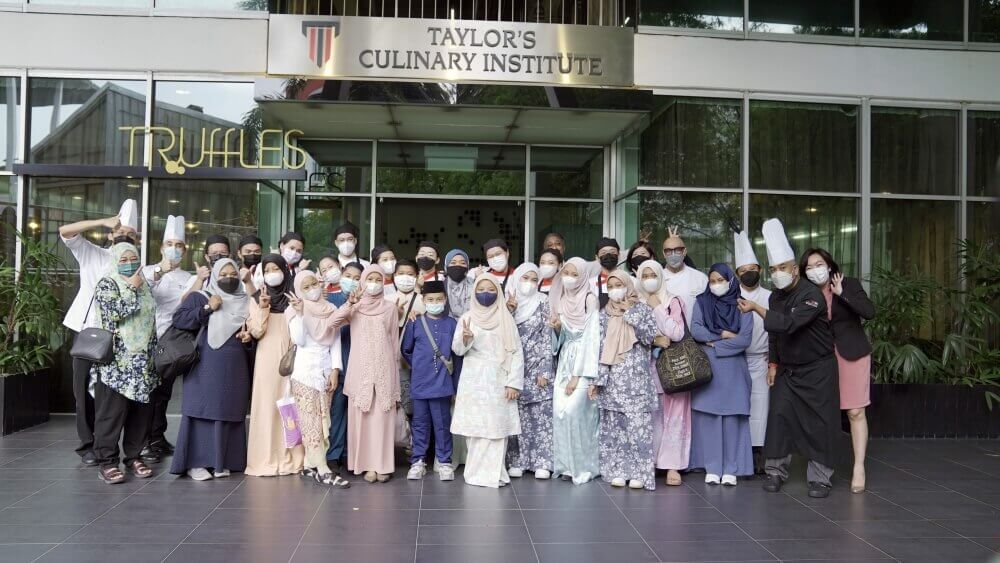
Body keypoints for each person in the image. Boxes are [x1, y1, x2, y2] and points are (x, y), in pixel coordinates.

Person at [738, 219, 840, 499]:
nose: (777, 273)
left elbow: (789, 324)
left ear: (795, 269)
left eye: (782, 268)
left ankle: (820, 479)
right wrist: (773, 363)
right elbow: (775, 333)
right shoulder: (775, 298)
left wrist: (755, 307)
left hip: (817, 369)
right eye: (773, 269)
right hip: (787, 370)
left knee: (819, 423)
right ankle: (774, 471)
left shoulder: (811, 295)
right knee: (779, 417)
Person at [59, 199, 139, 466]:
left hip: (120, 339)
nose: (124, 236)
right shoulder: (93, 254)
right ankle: (87, 445)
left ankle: (107, 445)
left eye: (130, 234)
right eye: (120, 232)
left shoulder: (135, 266)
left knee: (110, 396)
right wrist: (103, 220)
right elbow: (65, 231)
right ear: (110, 235)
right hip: (89, 333)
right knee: (82, 391)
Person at [169, 258, 253, 481]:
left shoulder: (244, 300)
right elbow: (179, 319)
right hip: (205, 364)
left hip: (236, 365)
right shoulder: (201, 296)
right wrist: (207, 308)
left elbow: (256, 330)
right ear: (215, 275)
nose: (229, 278)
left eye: (233, 274)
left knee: (229, 410)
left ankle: (222, 462)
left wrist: (248, 338)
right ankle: (196, 463)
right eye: (223, 274)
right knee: (203, 410)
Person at [802, 248, 875, 494]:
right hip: (821, 359)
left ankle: (859, 467)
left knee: (855, 411)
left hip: (852, 355)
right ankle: (821, 472)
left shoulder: (849, 284)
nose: (815, 270)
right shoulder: (806, 293)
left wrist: (842, 294)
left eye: (818, 264)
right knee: (823, 413)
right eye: (809, 267)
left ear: (829, 265)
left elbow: (869, 312)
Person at [91, 241, 158, 484]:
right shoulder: (107, 283)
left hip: (143, 360)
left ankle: (134, 457)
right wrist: (131, 288)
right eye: (123, 260)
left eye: (133, 259)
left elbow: (149, 316)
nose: (129, 264)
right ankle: (107, 462)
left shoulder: (144, 283)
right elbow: (113, 313)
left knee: (140, 413)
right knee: (111, 414)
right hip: (117, 362)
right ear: (114, 261)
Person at [326, 265, 400, 483]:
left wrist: (394, 375)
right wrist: (350, 303)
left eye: (378, 279)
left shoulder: (390, 308)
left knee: (382, 420)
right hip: (360, 371)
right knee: (363, 420)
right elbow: (332, 323)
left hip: (385, 369)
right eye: (370, 279)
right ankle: (367, 465)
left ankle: (383, 465)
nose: (374, 284)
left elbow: (394, 343)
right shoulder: (355, 307)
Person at [592, 272, 665, 490]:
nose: (615, 290)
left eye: (619, 285)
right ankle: (619, 471)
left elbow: (649, 338)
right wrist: (597, 381)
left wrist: (630, 313)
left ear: (628, 286)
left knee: (638, 430)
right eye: (611, 286)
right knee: (616, 430)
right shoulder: (604, 314)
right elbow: (600, 349)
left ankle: (640, 473)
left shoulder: (642, 309)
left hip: (636, 381)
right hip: (613, 381)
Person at [451, 275, 524, 488]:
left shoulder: (506, 319)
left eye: (491, 289)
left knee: (496, 429)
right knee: (476, 428)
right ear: (474, 292)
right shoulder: (467, 318)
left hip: (499, 379)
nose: (486, 293)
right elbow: (457, 349)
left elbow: (517, 352)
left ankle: (495, 474)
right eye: (481, 289)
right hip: (473, 380)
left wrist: (513, 383)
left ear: (499, 292)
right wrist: (465, 339)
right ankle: (476, 474)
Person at [689, 264, 755, 486]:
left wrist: (713, 344)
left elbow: (744, 339)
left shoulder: (742, 305)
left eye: (721, 280)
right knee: (709, 418)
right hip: (709, 370)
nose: (716, 285)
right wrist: (723, 334)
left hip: (734, 370)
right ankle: (712, 467)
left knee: (732, 419)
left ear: (731, 281)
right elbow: (696, 330)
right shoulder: (702, 302)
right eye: (712, 281)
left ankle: (731, 468)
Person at [140, 215, 198, 462]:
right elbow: (142, 289)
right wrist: (161, 270)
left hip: (171, 342)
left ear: (184, 250)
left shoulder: (189, 277)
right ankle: (143, 442)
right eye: (170, 244)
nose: (174, 249)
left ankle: (157, 437)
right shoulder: (147, 271)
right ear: (162, 247)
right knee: (147, 393)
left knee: (163, 393)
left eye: (179, 245)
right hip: (146, 341)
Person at [288, 271, 351, 488]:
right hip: (304, 373)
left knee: (325, 419)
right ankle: (323, 469)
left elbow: (335, 341)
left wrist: (335, 369)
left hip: (325, 372)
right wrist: (300, 314)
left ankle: (308, 465)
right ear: (298, 290)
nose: (312, 289)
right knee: (311, 422)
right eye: (305, 287)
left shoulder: (330, 308)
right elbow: (298, 339)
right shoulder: (294, 309)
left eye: (314, 283)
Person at [245, 254, 305, 476]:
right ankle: (265, 458)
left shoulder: (295, 296)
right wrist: (263, 308)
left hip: (295, 357)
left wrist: (300, 309)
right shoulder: (258, 298)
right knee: (267, 406)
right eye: (267, 270)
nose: (272, 274)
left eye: (276, 269)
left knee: (293, 406)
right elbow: (256, 331)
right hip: (268, 361)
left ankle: (294, 458)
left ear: (285, 270)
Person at [635, 259, 691, 486]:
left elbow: (676, 333)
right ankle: (651, 461)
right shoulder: (635, 302)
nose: (649, 280)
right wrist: (655, 339)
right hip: (644, 369)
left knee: (675, 418)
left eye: (653, 275)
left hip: (672, 369)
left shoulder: (672, 301)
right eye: (645, 276)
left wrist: (657, 306)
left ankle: (672, 466)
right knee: (652, 417)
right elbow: (629, 335)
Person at [549, 258, 602, 484]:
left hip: (583, 363)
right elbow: (563, 337)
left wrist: (578, 375)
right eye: (566, 273)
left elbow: (592, 339)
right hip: (565, 361)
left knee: (576, 414)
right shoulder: (562, 298)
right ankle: (566, 466)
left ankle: (584, 466)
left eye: (574, 274)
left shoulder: (590, 299)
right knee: (560, 413)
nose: (569, 278)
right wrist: (558, 329)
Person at [401, 281, 457, 481]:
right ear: (423, 300)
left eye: (439, 299)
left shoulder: (452, 324)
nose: (435, 302)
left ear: (445, 299)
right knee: (420, 424)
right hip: (420, 383)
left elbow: (457, 355)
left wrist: (456, 386)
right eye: (431, 299)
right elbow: (405, 349)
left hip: (442, 384)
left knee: (442, 424)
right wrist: (418, 365)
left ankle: (444, 462)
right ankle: (418, 461)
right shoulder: (415, 322)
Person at [505, 263, 555, 480]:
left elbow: (547, 336)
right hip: (513, 368)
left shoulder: (543, 302)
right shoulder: (507, 303)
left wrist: (545, 370)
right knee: (516, 417)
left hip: (537, 367)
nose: (529, 284)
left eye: (534, 280)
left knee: (541, 416)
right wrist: (509, 310)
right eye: (525, 278)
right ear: (517, 279)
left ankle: (542, 461)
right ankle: (517, 461)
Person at [734, 230, 771, 473]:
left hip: (761, 360)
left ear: (760, 270)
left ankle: (757, 455)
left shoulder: (771, 297)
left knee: (760, 407)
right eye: (743, 270)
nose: (749, 273)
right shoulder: (730, 297)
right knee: (737, 407)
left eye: (753, 269)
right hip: (735, 360)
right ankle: (738, 454)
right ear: (737, 273)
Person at [325, 261, 364, 472]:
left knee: (359, 414)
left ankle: (354, 455)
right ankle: (334, 454)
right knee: (337, 412)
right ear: (341, 275)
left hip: (360, 364)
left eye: (357, 278)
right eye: (348, 276)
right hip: (339, 363)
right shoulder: (330, 300)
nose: (352, 281)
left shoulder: (367, 303)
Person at [662, 226, 709, 327]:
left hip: (694, 334)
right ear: (664, 254)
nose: (673, 254)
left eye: (677, 250)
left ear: (684, 252)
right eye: (668, 251)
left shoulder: (700, 278)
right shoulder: (658, 278)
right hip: (664, 335)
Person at [444, 248, 473, 320]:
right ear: (446, 266)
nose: (458, 266)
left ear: (467, 267)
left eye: (462, 263)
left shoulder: (475, 285)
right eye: (453, 263)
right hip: (447, 326)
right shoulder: (440, 286)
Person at [593, 237, 621, 310]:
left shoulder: (630, 281)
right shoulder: (591, 284)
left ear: (619, 255)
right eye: (603, 253)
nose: (608, 255)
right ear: (597, 258)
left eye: (612, 252)